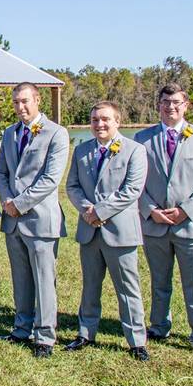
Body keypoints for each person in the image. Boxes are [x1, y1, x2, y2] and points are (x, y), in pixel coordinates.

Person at [134, 83, 193, 359]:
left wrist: (186, 210)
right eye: (166, 102)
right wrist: (150, 210)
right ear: (159, 104)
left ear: (186, 105)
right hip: (155, 223)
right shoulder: (142, 138)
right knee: (160, 280)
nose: (171, 107)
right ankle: (159, 325)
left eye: (176, 102)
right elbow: (137, 182)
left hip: (190, 224)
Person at [65, 101, 150, 360]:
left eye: (105, 120)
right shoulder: (82, 151)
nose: (99, 124)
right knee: (90, 285)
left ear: (117, 121)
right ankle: (85, 333)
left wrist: (99, 212)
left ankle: (136, 340)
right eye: (94, 120)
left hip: (119, 230)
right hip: (89, 229)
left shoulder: (134, 150)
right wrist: (87, 210)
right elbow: (73, 186)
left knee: (127, 287)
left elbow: (132, 190)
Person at [0, 82, 70, 358]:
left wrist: (20, 204)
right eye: (16, 102)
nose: (20, 107)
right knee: (20, 277)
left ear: (38, 100)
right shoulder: (10, 134)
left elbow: (50, 179)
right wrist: (6, 201)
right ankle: (21, 327)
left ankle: (45, 335)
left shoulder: (57, 134)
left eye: (25, 101)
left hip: (40, 218)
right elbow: (1, 172)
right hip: (12, 218)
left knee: (43, 278)